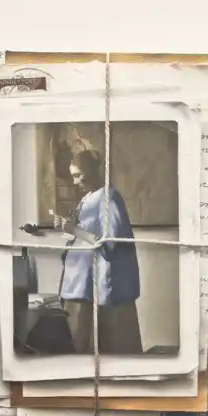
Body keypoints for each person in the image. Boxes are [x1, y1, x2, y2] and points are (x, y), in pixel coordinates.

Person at [54, 147, 143, 355]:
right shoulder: (88, 198)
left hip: (96, 289)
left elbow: (110, 244)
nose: (75, 182)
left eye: (78, 175)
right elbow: (83, 236)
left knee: (105, 350)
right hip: (80, 287)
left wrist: (74, 229)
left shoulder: (108, 199)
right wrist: (68, 229)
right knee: (76, 348)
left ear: (93, 171)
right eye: (72, 176)